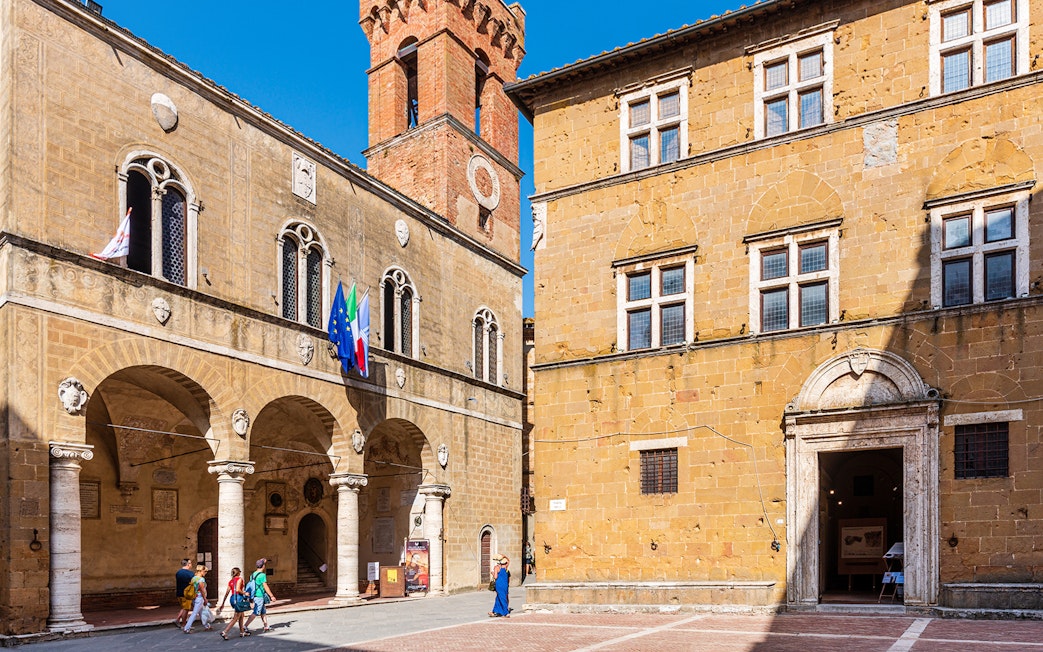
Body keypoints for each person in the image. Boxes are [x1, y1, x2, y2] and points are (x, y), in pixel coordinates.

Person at [244, 558, 276, 634]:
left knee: (263, 611)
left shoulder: (253, 575)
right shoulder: (262, 575)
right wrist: (271, 596)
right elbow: (265, 586)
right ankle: (245, 626)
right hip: (259, 595)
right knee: (256, 611)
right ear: (263, 566)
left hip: (254, 595)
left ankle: (266, 626)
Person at [216, 567, 248, 640]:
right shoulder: (239, 579)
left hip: (232, 598)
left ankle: (242, 632)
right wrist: (245, 593)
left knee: (241, 615)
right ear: (238, 572)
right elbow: (238, 589)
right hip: (239, 598)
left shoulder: (231, 581)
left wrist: (223, 603)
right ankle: (225, 631)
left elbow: (227, 592)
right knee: (236, 617)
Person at [182, 565, 211, 633]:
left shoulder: (194, 578)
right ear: (201, 571)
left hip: (195, 597)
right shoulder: (201, 579)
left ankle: (206, 625)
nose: (205, 573)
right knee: (194, 613)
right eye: (205, 571)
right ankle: (187, 628)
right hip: (200, 597)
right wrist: (205, 599)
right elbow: (202, 589)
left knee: (201, 611)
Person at [175, 558, 194, 628]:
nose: (191, 564)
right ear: (188, 564)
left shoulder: (178, 573)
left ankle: (177, 620)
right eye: (190, 563)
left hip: (179, 593)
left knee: (183, 607)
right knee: (186, 609)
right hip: (187, 594)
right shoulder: (190, 574)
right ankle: (184, 624)